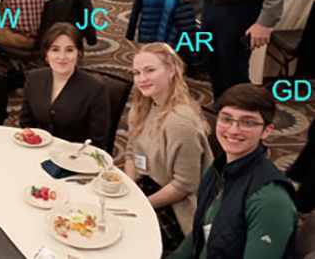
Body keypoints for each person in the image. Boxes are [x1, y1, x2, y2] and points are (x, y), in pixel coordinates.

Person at [169, 84, 298, 259]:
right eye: (226, 119)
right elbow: (198, 233)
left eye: (248, 122)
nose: (233, 130)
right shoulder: (215, 171)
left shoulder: (270, 199)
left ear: (266, 131)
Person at [125, 43, 213, 253]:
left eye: (150, 70)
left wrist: (142, 205)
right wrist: (128, 189)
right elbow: (131, 150)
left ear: (171, 70)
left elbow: (184, 185)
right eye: (137, 73)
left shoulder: (180, 122)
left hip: (177, 208)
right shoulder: (143, 106)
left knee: (125, 242)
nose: (142, 79)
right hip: (149, 186)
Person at [20, 23, 111, 149]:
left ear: (78, 54)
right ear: (46, 54)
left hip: (76, 158)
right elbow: (26, 125)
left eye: (69, 50)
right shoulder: (34, 78)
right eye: (55, 49)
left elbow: (97, 143)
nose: (62, 57)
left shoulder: (95, 90)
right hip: (38, 151)